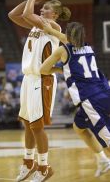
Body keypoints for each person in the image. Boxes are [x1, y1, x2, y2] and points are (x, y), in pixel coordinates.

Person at [8, 0, 71, 182]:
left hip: (42, 80)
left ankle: (44, 167)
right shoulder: (37, 27)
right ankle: (28, 163)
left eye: (45, 8)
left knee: (37, 126)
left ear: (55, 15)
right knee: (27, 124)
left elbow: (27, 13)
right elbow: (14, 15)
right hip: (28, 79)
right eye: (41, 8)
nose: (42, 10)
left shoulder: (51, 25)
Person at [40, 21, 110, 177]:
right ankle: (103, 160)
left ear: (68, 35)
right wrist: (51, 30)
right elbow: (67, 40)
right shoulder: (88, 47)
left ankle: (106, 158)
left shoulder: (62, 50)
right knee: (79, 127)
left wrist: (61, 69)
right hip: (104, 91)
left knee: (107, 140)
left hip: (91, 99)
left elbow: (43, 69)